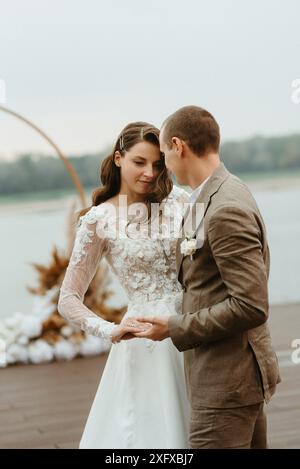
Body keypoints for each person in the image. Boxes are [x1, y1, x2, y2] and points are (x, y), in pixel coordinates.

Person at [133, 106, 281, 449]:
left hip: (226, 381)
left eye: (164, 154)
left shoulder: (225, 207)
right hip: (233, 374)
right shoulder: (217, 191)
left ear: (177, 145)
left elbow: (251, 305)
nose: (163, 164)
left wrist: (174, 327)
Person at [58, 121, 191, 449]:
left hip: (193, 328)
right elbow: (68, 298)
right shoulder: (97, 220)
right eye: (139, 162)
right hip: (145, 340)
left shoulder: (182, 201)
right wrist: (109, 330)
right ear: (118, 158)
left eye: (157, 164)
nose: (149, 172)